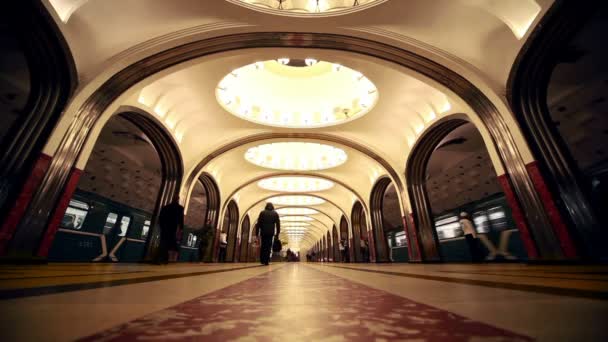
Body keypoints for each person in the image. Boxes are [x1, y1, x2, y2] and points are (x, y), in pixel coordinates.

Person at [157, 195, 184, 264]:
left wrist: (161, 226)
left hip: (165, 227)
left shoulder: (166, 207)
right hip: (172, 228)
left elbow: (161, 217)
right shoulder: (180, 208)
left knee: (163, 242)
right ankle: (165, 259)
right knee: (168, 243)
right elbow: (181, 219)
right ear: (178, 200)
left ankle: (161, 258)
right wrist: (181, 228)